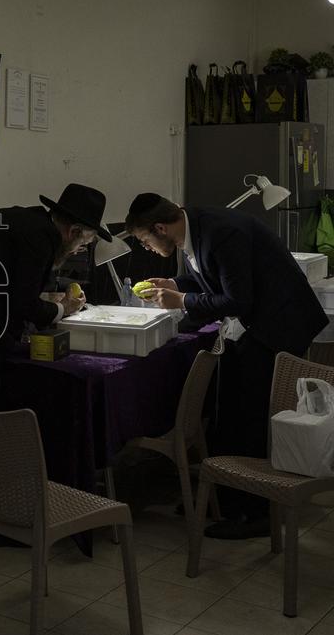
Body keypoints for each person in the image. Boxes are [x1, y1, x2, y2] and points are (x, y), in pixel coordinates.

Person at [125, 193, 327, 539]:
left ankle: (257, 512)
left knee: (249, 416)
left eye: (144, 240)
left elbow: (237, 298)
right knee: (227, 410)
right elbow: (214, 279)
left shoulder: (221, 232)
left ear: (159, 228)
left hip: (277, 325)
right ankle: (225, 497)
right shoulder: (195, 228)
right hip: (254, 322)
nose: (146, 248)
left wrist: (183, 301)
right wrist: (176, 285)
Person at [0, 183, 112, 410]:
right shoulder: (41, 238)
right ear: (74, 231)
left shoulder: (27, 221)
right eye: (82, 244)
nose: (77, 251)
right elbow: (23, 305)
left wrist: (45, 297)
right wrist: (63, 308)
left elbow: (13, 284)